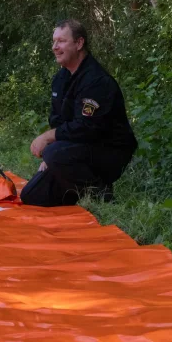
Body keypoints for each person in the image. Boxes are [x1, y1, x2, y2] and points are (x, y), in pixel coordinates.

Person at [21, 20, 137, 207]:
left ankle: (100, 194)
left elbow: (87, 128)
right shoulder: (60, 79)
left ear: (79, 43)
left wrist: (51, 146)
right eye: (53, 42)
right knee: (31, 195)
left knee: (53, 152)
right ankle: (77, 190)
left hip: (109, 152)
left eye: (61, 41)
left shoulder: (96, 81)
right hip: (76, 151)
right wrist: (53, 156)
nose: (54, 47)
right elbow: (57, 120)